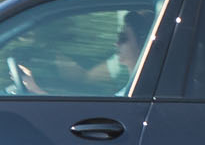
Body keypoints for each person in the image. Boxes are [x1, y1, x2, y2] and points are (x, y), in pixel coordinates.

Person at [16, 9, 153, 96]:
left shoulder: (141, 94)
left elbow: (96, 116)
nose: (116, 44)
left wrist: (36, 90)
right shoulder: (132, 91)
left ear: (142, 44)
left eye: (123, 38)